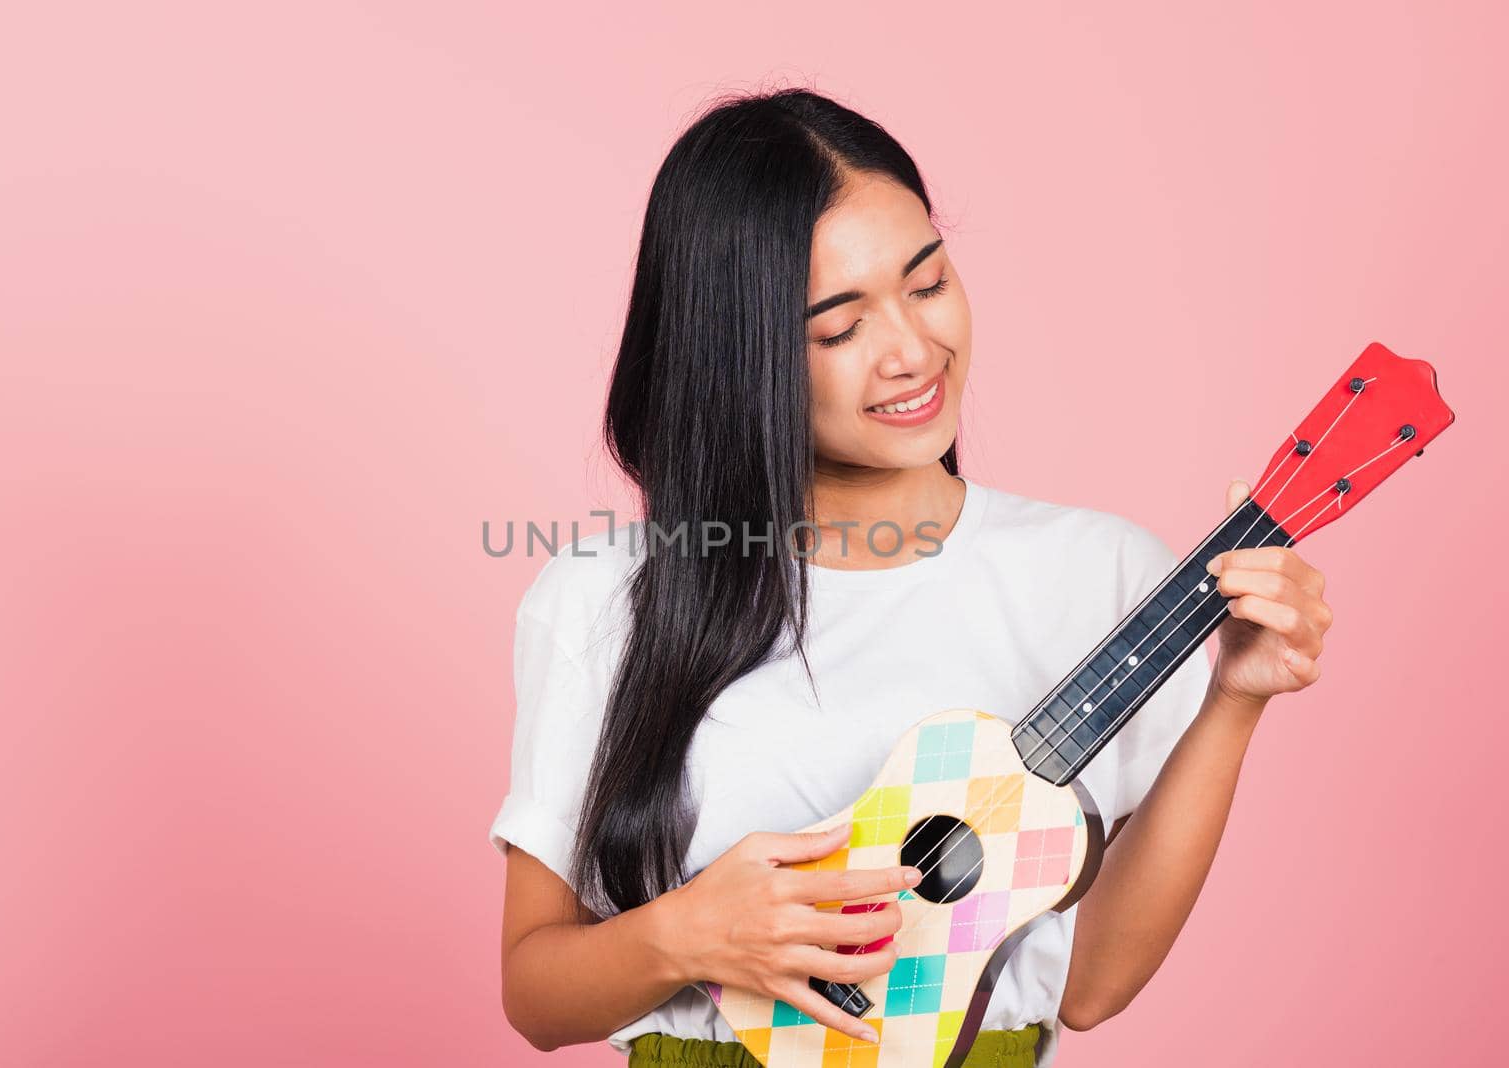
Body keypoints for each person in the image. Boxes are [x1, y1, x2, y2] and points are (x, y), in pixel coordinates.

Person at [487, 87, 1333, 1068]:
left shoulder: (1105, 577)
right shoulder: (604, 597)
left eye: (926, 283)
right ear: (739, 358)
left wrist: (1233, 698)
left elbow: (1093, 986)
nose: (911, 351)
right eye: (838, 328)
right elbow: (535, 998)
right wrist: (690, 934)